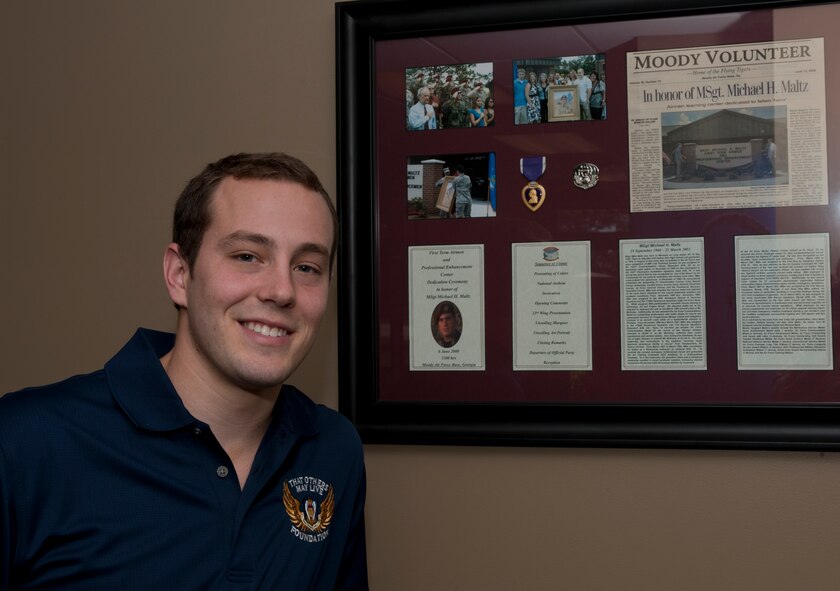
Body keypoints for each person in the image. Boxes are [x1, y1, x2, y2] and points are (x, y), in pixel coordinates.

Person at [0, 153, 369, 590]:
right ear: (179, 274)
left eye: (307, 267)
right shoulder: (25, 441)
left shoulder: (333, 450)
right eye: (248, 256)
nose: (282, 291)